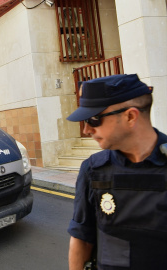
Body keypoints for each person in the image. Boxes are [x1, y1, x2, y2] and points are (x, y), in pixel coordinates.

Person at [66, 74, 167, 270]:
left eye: (94, 119)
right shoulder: (93, 169)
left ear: (130, 116)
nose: (86, 129)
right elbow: (82, 238)